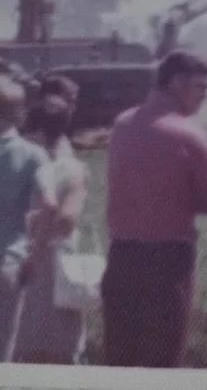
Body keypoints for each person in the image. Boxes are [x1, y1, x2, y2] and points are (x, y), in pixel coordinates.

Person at [102, 51, 207, 368]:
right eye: (200, 88)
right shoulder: (189, 134)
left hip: (122, 255)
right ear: (177, 83)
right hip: (168, 262)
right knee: (162, 364)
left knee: (121, 359)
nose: (204, 97)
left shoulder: (122, 125)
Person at [15, 90, 89, 364]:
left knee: (21, 342)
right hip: (56, 264)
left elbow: (63, 219)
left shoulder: (18, 161)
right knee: (58, 347)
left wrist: (28, 222)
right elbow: (68, 221)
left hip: (28, 260)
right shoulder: (72, 167)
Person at [0, 77, 54, 363]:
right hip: (7, 260)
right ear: (18, 113)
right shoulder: (34, 155)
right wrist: (36, 254)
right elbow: (49, 204)